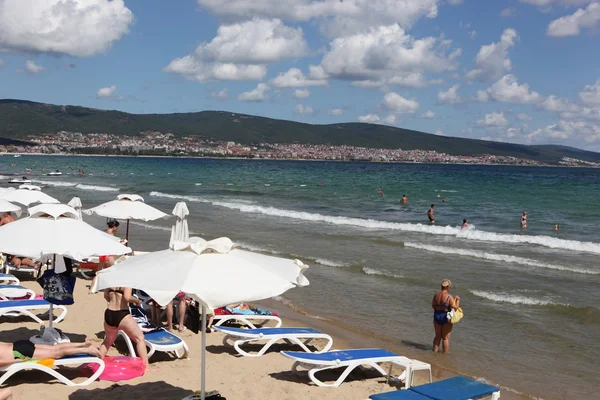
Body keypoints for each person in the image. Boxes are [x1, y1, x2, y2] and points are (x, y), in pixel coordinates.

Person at [99, 286, 149, 366]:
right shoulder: (126, 282)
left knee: (107, 341)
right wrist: (137, 301)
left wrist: (113, 301)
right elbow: (127, 297)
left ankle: (97, 362)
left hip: (109, 313)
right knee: (140, 339)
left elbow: (106, 296)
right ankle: (146, 367)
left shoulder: (111, 282)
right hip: (122, 313)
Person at [0, 340, 100, 367]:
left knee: (57, 353)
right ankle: (83, 344)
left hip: (19, 352)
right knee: (55, 347)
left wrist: (19, 360)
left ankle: (86, 350)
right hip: (17, 344)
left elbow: (1, 362)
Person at [432, 279, 460, 353]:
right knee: (445, 338)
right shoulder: (449, 297)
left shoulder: (436, 295)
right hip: (445, 317)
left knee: (437, 337)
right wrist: (457, 300)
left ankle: (434, 353)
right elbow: (455, 308)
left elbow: (433, 306)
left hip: (437, 316)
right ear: (448, 287)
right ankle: (444, 356)